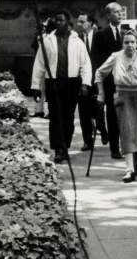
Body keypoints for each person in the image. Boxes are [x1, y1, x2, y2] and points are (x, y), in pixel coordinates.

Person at [94, 30, 137, 183]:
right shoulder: (116, 57)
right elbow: (99, 73)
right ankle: (129, 170)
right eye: (126, 42)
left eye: (133, 42)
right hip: (123, 96)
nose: (130, 45)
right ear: (122, 44)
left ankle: (135, 164)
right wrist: (101, 94)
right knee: (127, 131)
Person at [30, 9, 92, 162]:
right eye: (56, 20)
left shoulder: (78, 42)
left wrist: (85, 83)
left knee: (68, 117)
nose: (58, 23)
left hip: (72, 83)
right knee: (55, 116)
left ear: (68, 22)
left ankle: (65, 147)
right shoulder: (47, 41)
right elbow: (39, 64)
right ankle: (58, 148)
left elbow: (85, 64)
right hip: (54, 82)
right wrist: (36, 86)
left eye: (61, 20)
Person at [91, 2, 125, 159]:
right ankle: (114, 147)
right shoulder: (100, 35)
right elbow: (96, 61)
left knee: (124, 114)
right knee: (111, 114)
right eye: (116, 12)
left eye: (121, 12)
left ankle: (126, 144)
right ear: (109, 15)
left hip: (126, 81)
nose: (120, 14)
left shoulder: (127, 34)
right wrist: (99, 86)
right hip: (109, 81)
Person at [74, 10, 96, 150]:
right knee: (84, 112)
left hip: (99, 79)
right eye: (78, 22)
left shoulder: (100, 37)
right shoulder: (76, 40)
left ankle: (103, 130)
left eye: (82, 22)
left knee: (99, 111)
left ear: (90, 23)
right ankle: (87, 140)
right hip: (82, 81)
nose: (79, 24)